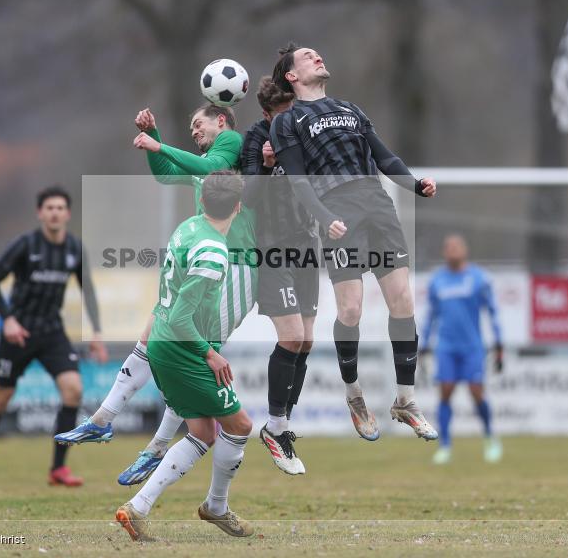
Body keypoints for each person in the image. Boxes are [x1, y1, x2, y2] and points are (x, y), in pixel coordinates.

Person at [55, 104, 258, 487]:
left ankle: (157, 447)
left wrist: (159, 145)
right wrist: (156, 143)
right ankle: (103, 419)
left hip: (235, 264)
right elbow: (167, 177)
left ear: (222, 120)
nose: (194, 131)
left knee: (189, 350)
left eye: (198, 124)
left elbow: (201, 166)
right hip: (205, 257)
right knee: (156, 331)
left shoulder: (230, 142)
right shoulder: (208, 162)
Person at [270, 43, 438, 442]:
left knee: (403, 301)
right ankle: (354, 393)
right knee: (351, 308)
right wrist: (324, 218)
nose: (318, 57)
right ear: (291, 76)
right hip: (337, 209)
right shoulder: (288, 121)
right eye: (307, 56)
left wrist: (415, 184)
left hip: (377, 204)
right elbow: (298, 181)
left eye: (317, 54)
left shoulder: (350, 109)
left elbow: (385, 157)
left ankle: (405, 400)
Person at [115, 171, 254, 542]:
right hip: (181, 347)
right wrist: (211, 354)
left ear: (203, 201)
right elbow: (181, 316)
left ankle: (137, 508)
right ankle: (216, 507)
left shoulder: (188, 227)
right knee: (240, 426)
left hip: (161, 343)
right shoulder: (214, 251)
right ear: (238, 208)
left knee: (203, 431)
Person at [0, 186, 107, 489]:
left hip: (52, 332)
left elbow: (88, 290)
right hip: (19, 334)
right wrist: (8, 319)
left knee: (73, 390)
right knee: (0, 399)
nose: (55, 212)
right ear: (40, 213)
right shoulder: (25, 245)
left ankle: (58, 469)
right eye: (49, 208)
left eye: (60, 208)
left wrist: (95, 332)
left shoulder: (74, 249)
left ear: (67, 214)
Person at [241, 76, 317, 474]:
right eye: (284, 115)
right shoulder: (255, 139)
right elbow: (247, 196)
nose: (293, 121)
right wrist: (268, 167)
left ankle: (279, 426)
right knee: (290, 337)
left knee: (306, 341)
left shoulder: (305, 133)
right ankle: (275, 428)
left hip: (307, 244)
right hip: (272, 248)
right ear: (268, 114)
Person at [420, 234, 503, 464]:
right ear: (444, 252)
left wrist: (499, 343)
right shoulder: (437, 280)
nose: (452, 250)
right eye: (448, 247)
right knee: (445, 392)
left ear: (465, 250)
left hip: (472, 347)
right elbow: (431, 316)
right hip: (446, 347)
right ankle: (445, 446)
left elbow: (493, 311)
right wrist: (424, 345)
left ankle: (489, 438)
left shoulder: (478, 278)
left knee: (476, 392)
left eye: (456, 246)